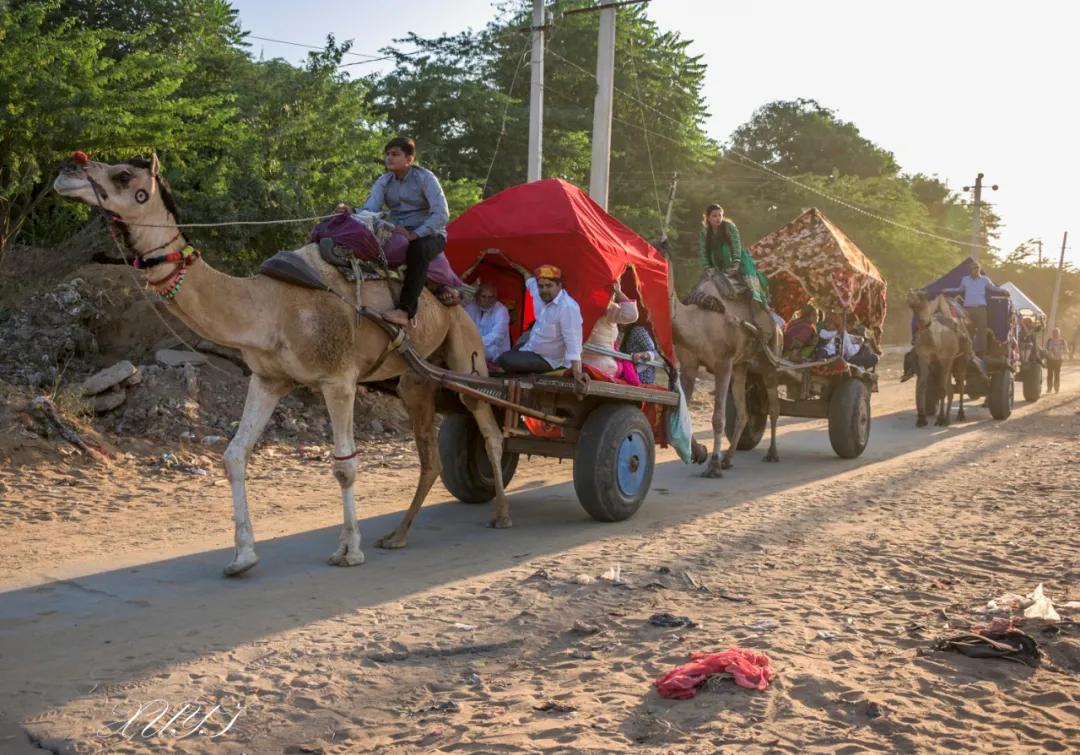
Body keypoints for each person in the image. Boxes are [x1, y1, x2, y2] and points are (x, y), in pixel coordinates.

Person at [356, 136, 449, 327]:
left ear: (409, 159)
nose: (389, 158)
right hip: (397, 232)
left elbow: (441, 214)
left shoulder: (425, 178)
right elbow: (371, 209)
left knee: (417, 250)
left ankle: (405, 310)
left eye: (395, 154)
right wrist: (351, 211)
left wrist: (415, 234)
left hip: (429, 234)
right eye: (388, 154)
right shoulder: (384, 181)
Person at [486, 252, 584, 384]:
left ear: (559, 286)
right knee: (503, 356)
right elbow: (528, 277)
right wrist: (511, 261)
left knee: (505, 359)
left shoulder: (568, 308)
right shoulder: (540, 294)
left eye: (549, 286)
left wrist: (577, 371)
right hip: (531, 348)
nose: (544, 290)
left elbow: (573, 341)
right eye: (541, 286)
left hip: (550, 360)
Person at [698, 204, 769, 310]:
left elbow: (736, 243)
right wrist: (707, 266)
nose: (718, 218)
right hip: (718, 262)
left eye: (720, 215)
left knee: (749, 282)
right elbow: (704, 251)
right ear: (708, 217)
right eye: (714, 216)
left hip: (737, 258)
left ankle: (760, 305)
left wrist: (736, 261)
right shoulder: (704, 233)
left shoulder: (729, 226)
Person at [942, 261, 1008, 355]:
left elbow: (993, 288)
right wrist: (947, 290)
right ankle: (968, 350)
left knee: (982, 330)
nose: (976, 270)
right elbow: (959, 289)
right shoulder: (965, 280)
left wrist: (1003, 291)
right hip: (968, 310)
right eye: (974, 268)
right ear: (970, 270)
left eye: (977, 268)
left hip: (981, 309)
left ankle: (982, 352)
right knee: (968, 330)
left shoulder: (984, 279)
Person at [582, 280, 639, 377]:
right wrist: (618, 291)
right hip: (602, 365)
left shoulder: (606, 308)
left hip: (588, 363)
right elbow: (631, 315)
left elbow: (631, 315)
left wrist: (617, 292)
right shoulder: (607, 308)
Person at [464, 281, 511, 362]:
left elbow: (497, 336)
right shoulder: (470, 308)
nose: (487, 300)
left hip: (496, 352)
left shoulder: (501, 310)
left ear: (495, 298)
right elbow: (464, 329)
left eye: (490, 297)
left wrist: (475, 344)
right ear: (477, 297)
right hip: (473, 347)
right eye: (483, 296)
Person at [1045, 327, 1067, 393]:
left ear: (1059, 334)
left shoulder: (1062, 341)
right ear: (1052, 334)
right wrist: (1049, 353)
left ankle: (1056, 388)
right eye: (1054, 333)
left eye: (1056, 333)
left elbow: (1066, 350)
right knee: (1050, 374)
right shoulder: (1049, 341)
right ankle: (1049, 388)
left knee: (1057, 374)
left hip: (1058, 360)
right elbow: (1046, 349)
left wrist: (1060, 352)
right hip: (1050, 360)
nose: (1055, 334)